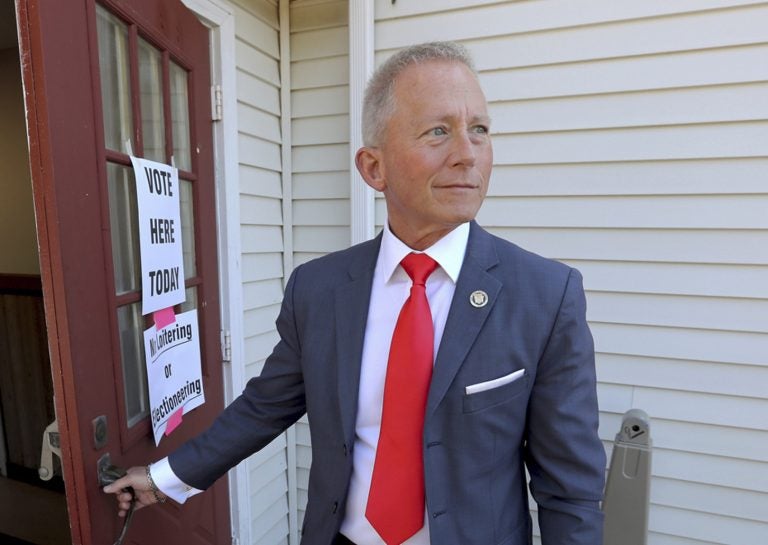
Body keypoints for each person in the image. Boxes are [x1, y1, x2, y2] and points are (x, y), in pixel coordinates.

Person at [105, 41, 605, 545]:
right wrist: (163, 478)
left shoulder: (545, 295)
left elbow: (570, 490)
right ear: (373, 168)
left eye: (479, 129)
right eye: (438, 131)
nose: (467, 154)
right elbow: (264, 407)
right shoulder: (320, 290)